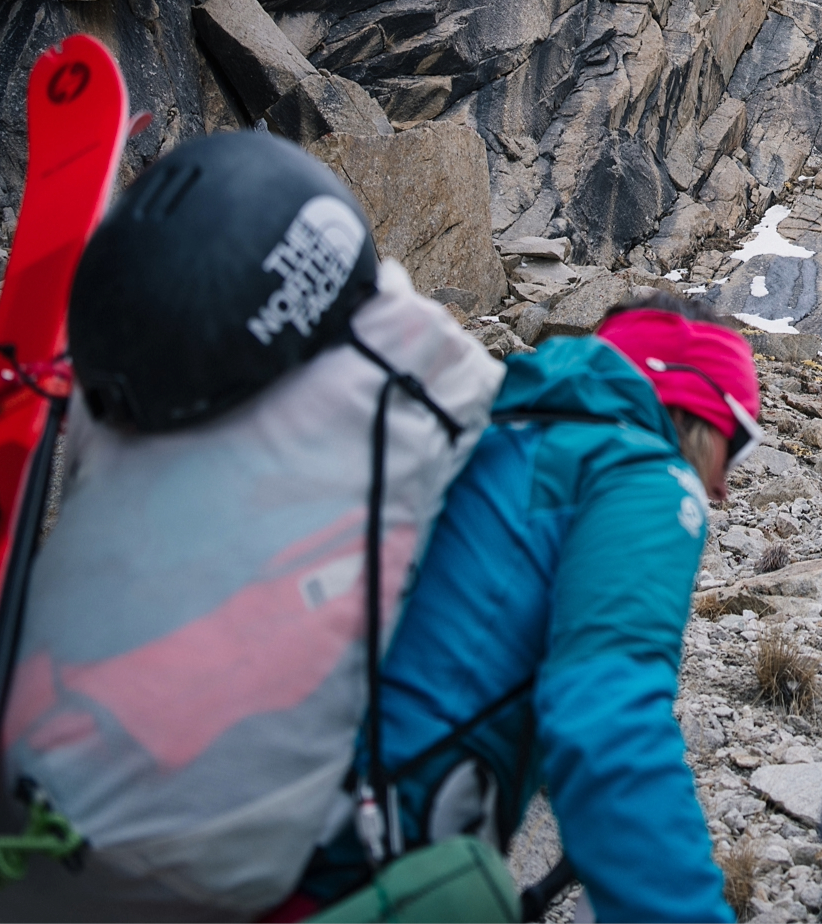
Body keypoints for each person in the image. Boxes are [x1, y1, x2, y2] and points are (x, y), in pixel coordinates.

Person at [289, 292, 761, 922]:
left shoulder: (498, 435)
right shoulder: (640, 472)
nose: (725, 487)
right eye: (736, 442)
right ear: (696, 414)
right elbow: (608, 722)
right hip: (354, 878)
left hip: (277, 839)